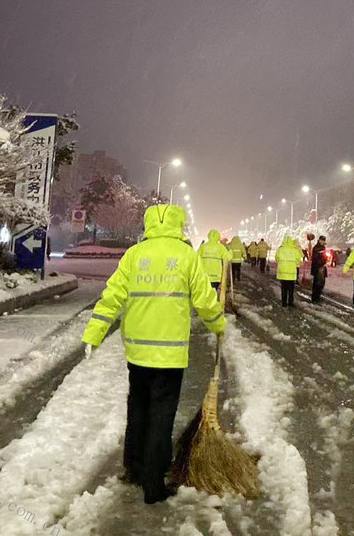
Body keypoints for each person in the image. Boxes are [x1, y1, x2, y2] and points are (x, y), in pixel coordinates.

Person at [81, 205, 227, 503]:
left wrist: (94, 334)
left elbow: (112, 296)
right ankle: (153, 483)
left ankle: (133, 467)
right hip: (170, 353)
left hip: (137, 351)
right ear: (178, 224)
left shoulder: (134, 255)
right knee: (162, 414)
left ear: (148, 224)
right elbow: (204, 299)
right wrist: (218, 324)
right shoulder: (187, 256)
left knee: (138, 408)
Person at [198, 229, 231, 295]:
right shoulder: (220, 247)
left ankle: (205, 304)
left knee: (205, 294)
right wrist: (230, 251)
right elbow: (228, 257)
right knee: (213, 294)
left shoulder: (203, 246)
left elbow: (196, 258)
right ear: (218, 237)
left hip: (204, 276)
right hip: (216, 277)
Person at [275, 236, 303, 307]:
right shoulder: (295, 250)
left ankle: (284, 303)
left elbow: (276, 258)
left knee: (284, 289)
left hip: (283, 273)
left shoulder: (280, 249)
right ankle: (290, 302)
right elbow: (298, 260)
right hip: (291, 273)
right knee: (291, 289)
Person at [310, 235, 328, 303]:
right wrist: (324, 260)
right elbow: (316, 259)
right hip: (318, 268)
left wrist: (325, 259)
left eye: (324, 240)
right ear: (319, 240)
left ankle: (317, 297)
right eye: (322, 240)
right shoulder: (317, 248)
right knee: (317, 283)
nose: (323, 241)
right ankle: (315, 298)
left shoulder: (323, 247)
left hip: (321, 267)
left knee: (321, 284)